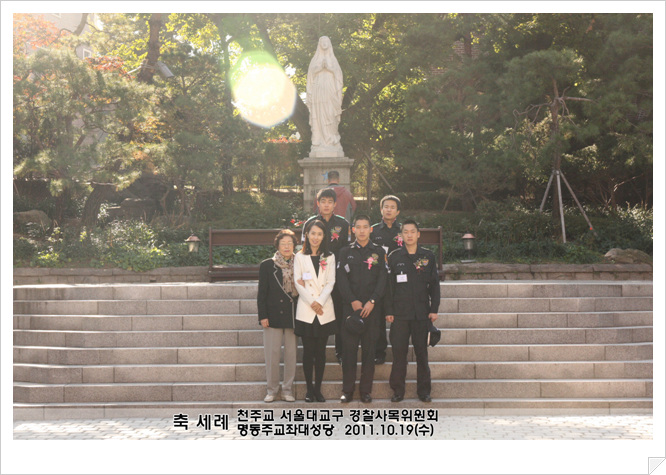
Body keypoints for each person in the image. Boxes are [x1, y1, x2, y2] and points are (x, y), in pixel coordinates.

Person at [384, 219, 440, 403]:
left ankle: (424, 391)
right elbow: (389, 287)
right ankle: (397, 390)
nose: (409, 235)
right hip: (400, 314)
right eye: (405, 232)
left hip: (421, 313)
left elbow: (434, 285)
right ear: (401, 236)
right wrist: (389, 310)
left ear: (418, 234)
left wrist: (434, 309)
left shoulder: (428, 256)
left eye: (412, 232)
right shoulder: (394, 257)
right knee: (399, 354)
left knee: (422, 354)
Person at [336, 214, 387, 403]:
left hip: (371, 310)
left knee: (369, 352)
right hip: (351, 309)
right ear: (353, 230)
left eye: (366, 227)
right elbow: (341, 279)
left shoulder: (379, 251)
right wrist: (352, 301)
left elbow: (383, 279)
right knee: (349, 352)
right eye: (359, 227)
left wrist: (372, 301)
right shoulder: (344, 252)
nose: (362, 230)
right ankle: (347, 391)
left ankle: (366, 391)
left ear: (371, 229)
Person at [303, 188, 349, 364]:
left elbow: (346, 249)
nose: (327, 205)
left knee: (339, 310)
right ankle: (313, 350)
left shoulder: (343, 224)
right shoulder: (311, 223)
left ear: (335, 204)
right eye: (323, 201)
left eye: (330, 202)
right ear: (318, 203)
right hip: (315, 276)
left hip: (336, 274)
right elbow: (305, 249)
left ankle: (341, 350)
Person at [294, 220, 337, 403]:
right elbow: (298, 282)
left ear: (324, 236)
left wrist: (319, 302)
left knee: (320, 352)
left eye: (319, 234)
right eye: (313, 233)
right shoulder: (299, 256)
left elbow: (331, 282)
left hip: (323, 309)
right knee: (308, 352)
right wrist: (312, 303)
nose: (316, 237)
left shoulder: (329, 256)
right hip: (306, 309)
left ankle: (318, 389)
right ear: (307, 235)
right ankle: (309, 390)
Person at [257, 229, 300, 403]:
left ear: (294, 245)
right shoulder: (267, 265)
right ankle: (272, 390)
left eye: (290, 243)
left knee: (291, 356)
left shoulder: (301, 263)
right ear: (277, 246)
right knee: (272, 356)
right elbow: (262, 293)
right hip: (272, 315)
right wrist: (263, 315)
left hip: (293, 315)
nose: (287, 247)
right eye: (283, 244)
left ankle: (287, 390)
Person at [371, 195, 402, 365]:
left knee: (399, 314)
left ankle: (399, 350)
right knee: (378, 316)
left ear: (398, 211)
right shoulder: (373, 230)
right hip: (379, 277)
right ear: (381, 209)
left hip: (399, 277)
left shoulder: (403, 230)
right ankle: (379, 351)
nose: (389, 210)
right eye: (386, 207)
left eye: (392, 207)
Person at [306, 36, 344, 157]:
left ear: (329, 43)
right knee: (319, 114)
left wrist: (330, 68)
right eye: (322, 41)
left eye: (326, 41)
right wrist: (319, 68)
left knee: (330, 114)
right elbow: (310, 76)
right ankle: (319, 142)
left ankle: (331, 140)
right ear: (319, 44)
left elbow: (339, 76)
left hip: (330, 90)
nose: (324, 43)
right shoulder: (315, 59)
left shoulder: (333, 59)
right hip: (318, 91)